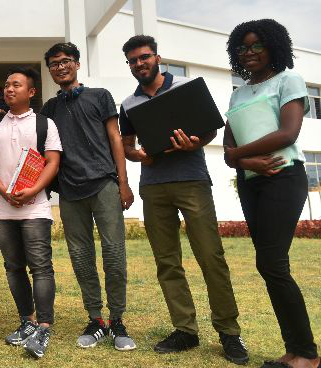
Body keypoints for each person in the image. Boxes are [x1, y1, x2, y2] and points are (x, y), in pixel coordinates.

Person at [118, 35, 249, 365]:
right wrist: (138, 155)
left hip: (192, 181)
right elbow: (126, 145)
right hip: (154, 186)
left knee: (211, 256)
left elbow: (209, 130)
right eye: (133, 60)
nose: (139, 64)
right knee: (167, 262)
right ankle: (185, 330)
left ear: (157, 58)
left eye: (144, 57)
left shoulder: (186, 87)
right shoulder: (129, 104)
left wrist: (195, 142)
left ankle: (229, 332)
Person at [223, 19, 318, 368]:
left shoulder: (288, 79)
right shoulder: (237, 92)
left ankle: (306, 354)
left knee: (272, 263)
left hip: (283, 176)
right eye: (242, 47)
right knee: (270, 265)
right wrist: (244, 160)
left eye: (256, 45)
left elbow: (288, 132)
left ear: (272, 47)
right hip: (252, 181)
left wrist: (238, 155)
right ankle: (294, 351)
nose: (248, 53)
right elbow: (228, 148)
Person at [40, 42, 136, 351]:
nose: (61, 67)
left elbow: (114, 138)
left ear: (77, 64)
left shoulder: (100, 96)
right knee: (81, 257)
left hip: (104, 184)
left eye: (66, 61)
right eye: (54, 64)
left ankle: (118, 319)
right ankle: (96, 319)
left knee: (114, 255)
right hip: (69, 190)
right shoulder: (49, 109)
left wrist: (123, 182)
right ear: (50, 70)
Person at [0, 67, 62, 359]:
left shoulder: (44, 123)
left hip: (36, 206)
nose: (9, 89)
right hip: (3, 209)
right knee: (13, 267)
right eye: (6, 85)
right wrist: (2, 191)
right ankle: (27, 320)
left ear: (31, 92)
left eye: (16, 85)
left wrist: (33, 190)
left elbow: (52, 161)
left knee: (40, 266)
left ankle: (44, 324)